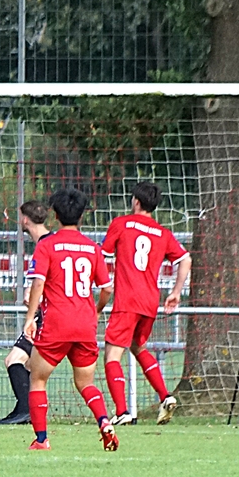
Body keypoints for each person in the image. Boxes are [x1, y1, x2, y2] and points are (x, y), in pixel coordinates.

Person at [23, 188, 117, 451]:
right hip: (85, 324)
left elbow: (38, 283)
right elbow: (107, 288)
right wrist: (97, 310)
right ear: (82, 216)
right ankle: (104, 421)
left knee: (38, 378)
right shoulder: (92, 248)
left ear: (55, 215)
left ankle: (42, 439)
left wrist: (30, 318)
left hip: (56, 323)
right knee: (85, 383)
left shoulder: (47, 245)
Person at [99, 181, 192, 426]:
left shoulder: (121, 224)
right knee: (138, 347)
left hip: (127, 300)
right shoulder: (163, 233)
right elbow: (185, 259)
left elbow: (102, 255)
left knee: (112, 356)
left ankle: (122, 412)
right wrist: (176, 292)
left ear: (136, 201)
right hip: (150, 302)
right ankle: (165, 396)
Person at [0, 200, 51, 425]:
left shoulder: (45, 245)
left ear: (25, 220)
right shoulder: (49, 241)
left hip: (47, 316)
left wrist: (33, 296)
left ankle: (26, 410)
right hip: (53, 313)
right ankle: (24, 408)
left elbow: (40, 283)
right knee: (27, 364)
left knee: (14, 359)